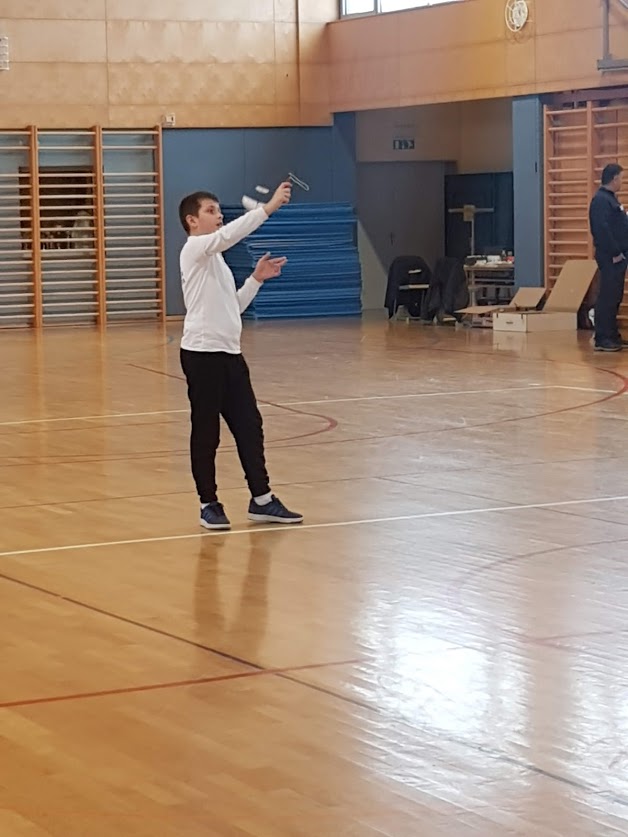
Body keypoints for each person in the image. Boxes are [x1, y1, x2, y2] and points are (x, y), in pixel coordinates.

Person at [178, 182, 303, 530]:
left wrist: (255, 280)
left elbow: (232, 308)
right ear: (192, 221)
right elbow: (229, 235)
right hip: (202, 356)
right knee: (207, 433)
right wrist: (268, 208)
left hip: (230, 355)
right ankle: (208, 504)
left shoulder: (215, 261)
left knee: (250, 426)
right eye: (211, 211)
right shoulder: (195, 249)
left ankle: (261, 499)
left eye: (219, 210)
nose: (218, 216)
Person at [589, 162, 628, 351]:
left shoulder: (611, 199)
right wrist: (615, 252)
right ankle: (602, 337)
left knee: (615, 297)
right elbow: (601, 230)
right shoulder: (600, 201)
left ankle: (612, 335)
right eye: (621, 178)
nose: (622, 182)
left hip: (619, 256)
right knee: (607, 296)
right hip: (611, 257)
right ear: (614, 179)